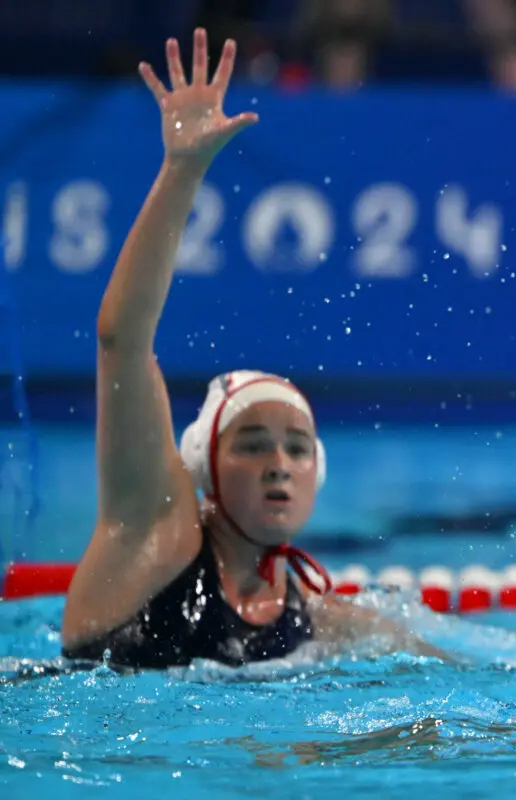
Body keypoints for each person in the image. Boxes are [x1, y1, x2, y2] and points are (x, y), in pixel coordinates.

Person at [61, 29, 446, 670]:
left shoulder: (315, 618)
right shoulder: (151, 539)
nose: (279, 463)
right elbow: (121, 340)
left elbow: (469, 684)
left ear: (316, 473)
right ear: (204, 466)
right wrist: (182, 169)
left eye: (296, 448)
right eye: (252, 443)